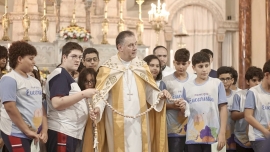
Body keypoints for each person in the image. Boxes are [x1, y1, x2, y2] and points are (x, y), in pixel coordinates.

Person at [84, 30, 169, 152]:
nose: (135, 48)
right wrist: (97, 108)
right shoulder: (108, 68)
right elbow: (102, 94)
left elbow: (150, 92)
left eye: (135, 44)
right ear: (120, 47)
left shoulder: (142, 66)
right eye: (130, 45)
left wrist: (160, 96)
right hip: (116, 121)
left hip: (139, 121)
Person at [45, 42, 97, 152]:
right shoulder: (60, 74)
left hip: (68, 131)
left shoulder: (66, 75)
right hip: (62, 130)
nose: (77, 60)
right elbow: (57, 103)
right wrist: (83, 94)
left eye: (79, 57)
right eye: (73, 56)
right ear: (64, 57)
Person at [0, 41, 47, 151]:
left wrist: (44, 129)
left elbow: (40, 106)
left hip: (33, 132)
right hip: (16, 132)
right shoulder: (9, 79)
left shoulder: (35, 81)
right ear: (19, 59)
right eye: (31, 58)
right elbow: (10, 107)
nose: (33, 62)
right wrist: (27, 130)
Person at [182, 52, 227, 152]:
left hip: (213, 135)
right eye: (200, 66)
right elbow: (184, 111)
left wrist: (222, 133)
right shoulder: (187, 87)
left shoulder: (217, 83)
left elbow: (223, 108)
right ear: (194, 68)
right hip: (193, 136)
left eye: (207, 65)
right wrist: (181, 106)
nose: (204, 69)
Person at [160, 48, 196, 152]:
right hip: (173, 128)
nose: (181, 67)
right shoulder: (166, 80)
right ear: (173, 62)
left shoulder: (194, 79)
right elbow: (159, 104)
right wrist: (173, 105)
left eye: (184, 63)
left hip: (191, 127)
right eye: (178, 63)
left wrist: (187, 106)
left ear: (189, 63)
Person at [231, 66, 263, 152]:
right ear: (247, 81)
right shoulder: (239, 95)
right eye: (254, 80)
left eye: (260, 80)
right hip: (242, 137)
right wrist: (247, 113)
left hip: (259, 136)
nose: (257, 83)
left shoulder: (264, 96)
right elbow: (234, 116)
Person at [244, 60, 270, 152]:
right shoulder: (253, 92)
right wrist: (265, 131)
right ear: (266, 75)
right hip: (259, 137)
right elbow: (248, 116)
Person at [217, 66, 237, 152]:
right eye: (222, 79)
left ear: (232, 80)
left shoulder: (237, 95)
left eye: (228, 79)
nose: (225, 82)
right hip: (218, 133)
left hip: (233, 133)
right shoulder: (215, 96)